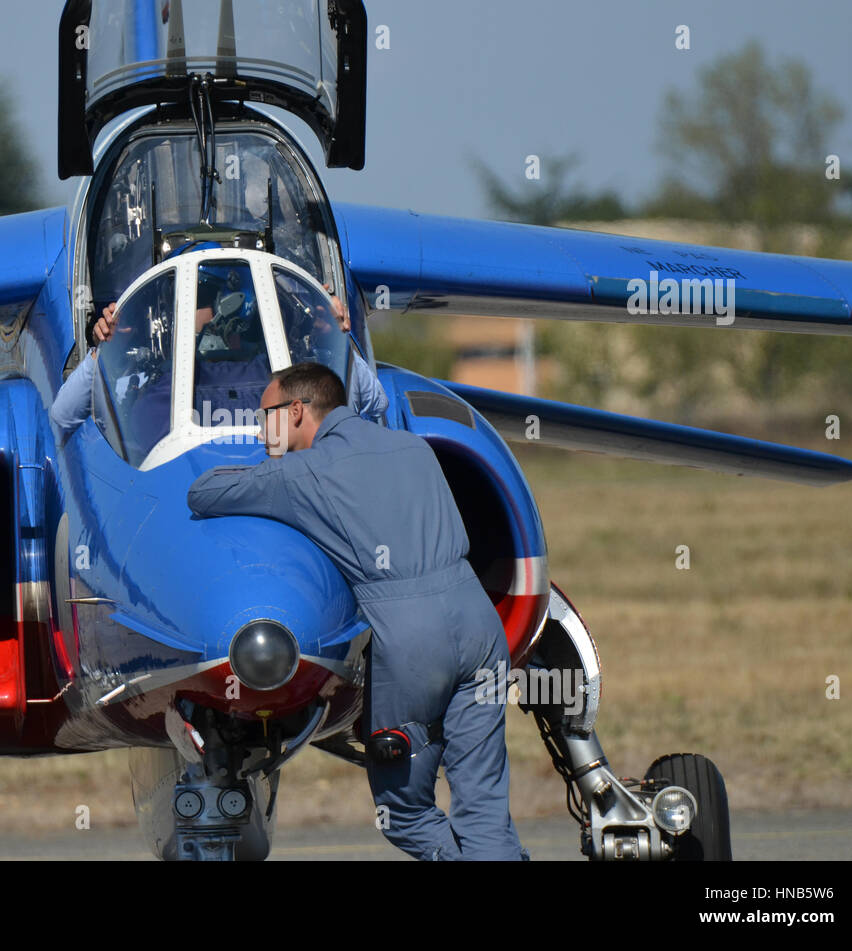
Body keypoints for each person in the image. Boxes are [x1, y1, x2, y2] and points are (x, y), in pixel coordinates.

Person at [185, 362, 525, 861]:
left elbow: (204, 493)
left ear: (297, 411)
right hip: (477, 621)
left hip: (410, 637)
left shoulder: (302, 472)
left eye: (266, 417)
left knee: (404, 812)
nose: (262, 431)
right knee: (485, 802)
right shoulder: (414, 448)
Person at [50, 283, 388, 445]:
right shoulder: (138, 376)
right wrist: (105, 350)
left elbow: (377, 402)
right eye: (202, 299)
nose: (216, 317)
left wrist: (337, 336)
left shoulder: (300, 374)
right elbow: (64, 414)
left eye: (217, 299)